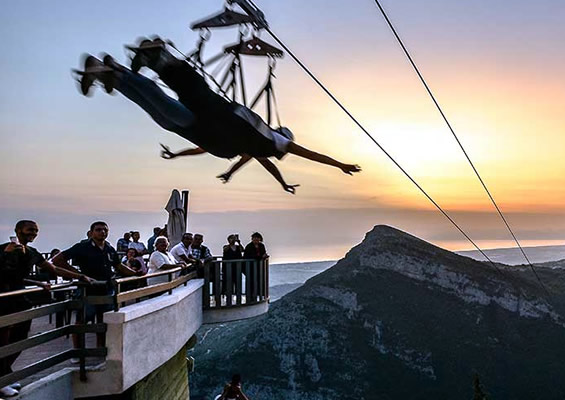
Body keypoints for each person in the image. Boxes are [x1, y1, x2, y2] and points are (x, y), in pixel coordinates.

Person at [75, 41, 361, 194]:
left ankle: (111, 72)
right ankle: (117, 70)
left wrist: (279, 182)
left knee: (158, 99)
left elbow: (260, 164)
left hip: (194, 127)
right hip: (196, 123)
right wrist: (339, 165)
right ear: (284, 137)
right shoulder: (274, 141)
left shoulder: (256, 145)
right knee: (157, 100)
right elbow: (311, 155)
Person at [2, 220, 94, 395]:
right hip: (4, 300)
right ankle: (2, 379)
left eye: (35, 231)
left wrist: (80, 276)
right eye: (30, 230)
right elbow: (3, 274)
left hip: (19, 299)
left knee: (19, 339)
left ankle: (4, 374)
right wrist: (5, 255)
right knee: (3, 340)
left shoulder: (31, 252)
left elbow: (54, 269)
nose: (33, 233)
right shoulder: (4, 249)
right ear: (18, 230)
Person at [50, 221, 141, 353]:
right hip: (88, 289)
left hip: (106, 288)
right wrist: (78, 275)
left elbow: (118, 266)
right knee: (82, 321)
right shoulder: (82, 247)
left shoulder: (109, 248)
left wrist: (135, 274)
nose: (102, 232)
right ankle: (78, 352)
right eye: (98, 230)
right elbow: (57, 260)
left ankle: (100, 349)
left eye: (105, 230)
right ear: (91, 232)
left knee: (103, 321)